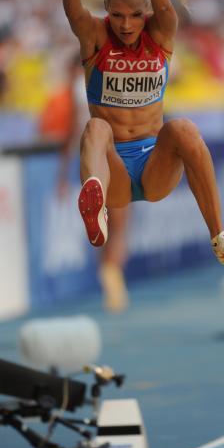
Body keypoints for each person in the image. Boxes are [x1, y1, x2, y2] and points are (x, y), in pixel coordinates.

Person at [48, 0, 224, 269]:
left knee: (183, 128)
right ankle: (96, 208)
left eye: (134, 16)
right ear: (106, 10)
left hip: (153, 168)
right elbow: (75, 14)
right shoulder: (95, 37)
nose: (125, 25)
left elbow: (166, 8)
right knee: (96, 127)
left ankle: (221, 238)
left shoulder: (160, 34)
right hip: (113, 168)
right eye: (117, 15)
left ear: (145, 12)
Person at [57, 53, 130, 313]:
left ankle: (108, 274)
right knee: (119, 225)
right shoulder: (110, 80)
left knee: (102, 223)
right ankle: (112, 276)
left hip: (88, 158)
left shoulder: (76, 87)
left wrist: (62, 174)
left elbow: (71, 132)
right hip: (115, 154)